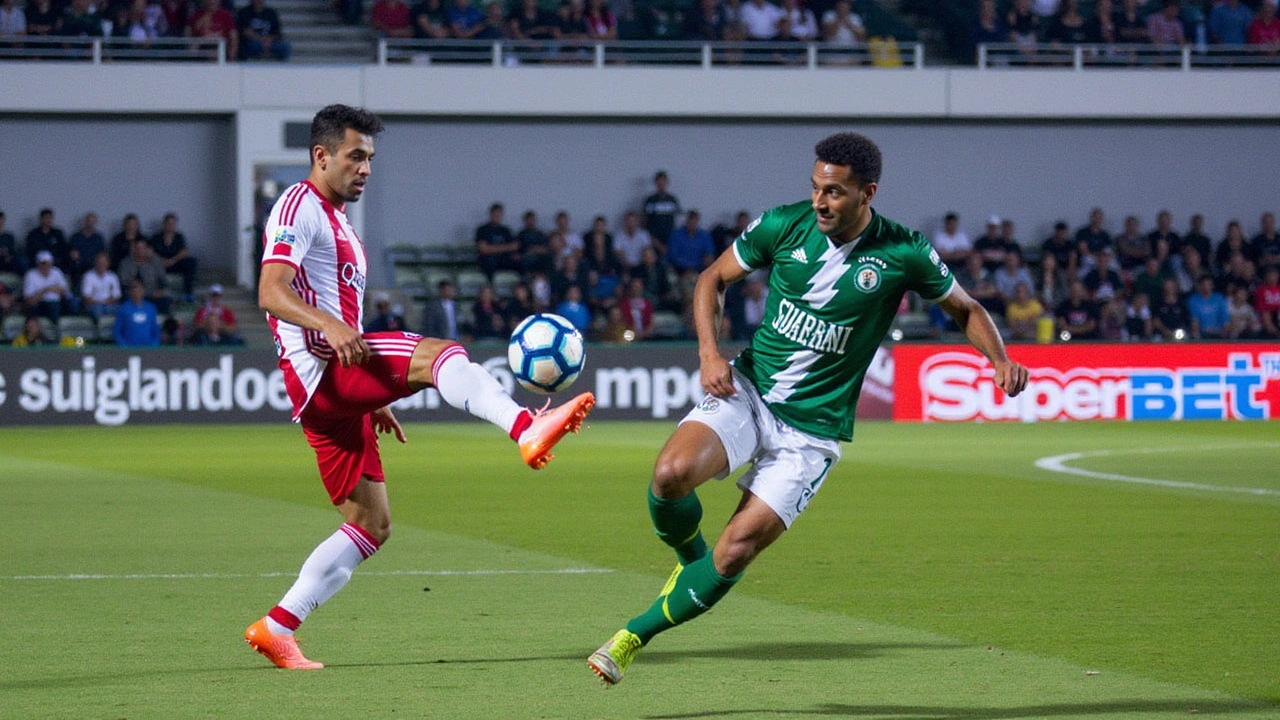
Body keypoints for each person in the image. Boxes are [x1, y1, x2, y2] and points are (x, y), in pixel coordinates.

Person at [585, 132, 1028, 685]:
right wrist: (708, 352)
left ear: (868, 193)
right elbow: (712, 278)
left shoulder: (904, 251)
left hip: (812, 435)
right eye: (816, 187)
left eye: (835, 192)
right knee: (671, 476)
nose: (820, 201)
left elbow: (965, 309)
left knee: (735, 552)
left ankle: (632, 637)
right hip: (750, 391)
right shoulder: (783, 225)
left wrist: (998, 359)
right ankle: (687, 557)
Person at [246, 104, 595, 671]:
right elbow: (270, 290)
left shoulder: (340, 223)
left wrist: (376, 395)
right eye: (355, 156)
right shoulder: (299, 206)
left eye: (370, 159)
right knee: (442, 354)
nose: (365, 168)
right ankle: (525, 426)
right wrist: (334, 330)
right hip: (325, 372)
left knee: (370, 524)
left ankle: (278, 626)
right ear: (322, 155)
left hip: (332, 395)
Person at [150, 212, 199, 302]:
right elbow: (150, 252)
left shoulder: (179, 237)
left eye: (173, 223)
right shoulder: (156, 237)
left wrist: (173, 260)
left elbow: (184, 252)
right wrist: (161, 260)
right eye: (168, 223)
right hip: (160, 264)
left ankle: (187, 293)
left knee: (191, 262)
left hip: (175, 263)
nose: (170, 225)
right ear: (164, 224)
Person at [117, 238, 173, 316]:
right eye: (137, 248)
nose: (140, 251)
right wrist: (142, 292)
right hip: (133, 296)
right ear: (133, 249)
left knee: (166, 300)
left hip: (153, 296)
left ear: (147, 249)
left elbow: (164, 280)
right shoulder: (125, 263)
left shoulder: (155, 261)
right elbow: (124, 283)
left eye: (142, 248)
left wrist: (162, 291)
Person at [474, 202, 521, 280]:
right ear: (491, 214)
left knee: (519, 260)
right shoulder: (482, 229)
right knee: (489, 261)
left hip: (503, 259)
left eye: (499, 214)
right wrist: (506, 248)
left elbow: (515, 246)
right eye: (495, 214)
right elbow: (483, 249)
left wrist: (493, 248)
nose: (497, 216)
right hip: (488, 259)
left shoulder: (505, 230)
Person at [23, 250, 71, 322]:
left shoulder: (56, 272)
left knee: (70, 303)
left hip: (58, 302)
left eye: (48, 263)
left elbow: (64, 292)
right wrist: (46, 290)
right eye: (43, 263)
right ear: (38, 263)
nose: (45, 266)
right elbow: (29, 300)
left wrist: (49, 290)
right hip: (41, 304)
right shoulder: (31, 275)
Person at [665, 208, 715, 275]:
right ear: (686, 220)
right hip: (678, 270)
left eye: (695, 219)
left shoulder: (705, 236)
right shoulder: (676, 234)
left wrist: (695, 267)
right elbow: (673, 256)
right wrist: (687, 267)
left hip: (698, 270)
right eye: (690, 219)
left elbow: (709, 256)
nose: (693, 222)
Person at [81, 251, 122, 331]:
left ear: (108, 263)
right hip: (93, 305)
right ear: (95, 263)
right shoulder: (88, 276)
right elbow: (87, 297)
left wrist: (105, 303)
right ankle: (99, 334)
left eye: (104, 262)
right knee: (98, 309)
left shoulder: (113, 277)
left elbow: (116, 296)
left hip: (109, 305)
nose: (101, 264)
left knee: (123, 309)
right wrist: (100, 303)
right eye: (99, 262)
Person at [641, 170, 679, 256]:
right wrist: (656, 243)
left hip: (670, 239)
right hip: (654, 240)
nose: (661, 183)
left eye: (663, 181)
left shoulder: (672, 200)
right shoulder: (650, 200)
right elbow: (645, 222)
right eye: (659, 181)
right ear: (656, 183)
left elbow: (674, 221)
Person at [114, 279, 161, 347]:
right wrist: (123, 346)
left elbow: (155, 329)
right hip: (129, 349)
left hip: (148, 349)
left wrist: (154, 344)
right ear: (130, 292)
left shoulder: (151, 308)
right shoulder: (123, 308)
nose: (136, 291)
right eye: (133, 289)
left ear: (143, 290)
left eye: (139, 289)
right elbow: (117, 331)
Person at [1186, 273, 1229, 339]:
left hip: (1219, 333)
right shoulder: (1193, 300)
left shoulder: (1219, 298)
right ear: (1199, 286)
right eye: (1203, 285)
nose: (1206, 287)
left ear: (1212, 286)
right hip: (1203, 334)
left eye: (1208, 285)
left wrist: (1224, 334)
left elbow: (1225, 319)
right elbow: (1195, 321)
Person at [67, 211, 106, 285]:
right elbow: (72, 255)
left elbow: (102, 254)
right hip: (78, 270)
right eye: (89, 221)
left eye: (93, 222)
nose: (90, 224)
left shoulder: (98, 238)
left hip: (94, 269)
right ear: (85, 222)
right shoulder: (75, 237)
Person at [1254, 264, 1280, 338]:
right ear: (1266, 276)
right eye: (1270, 274)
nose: (1272, 277)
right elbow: (1263, 311)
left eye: (1275, 274)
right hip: (1265, 318)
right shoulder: (1261, 289)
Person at [0, 211, 22, 275]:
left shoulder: (9, 237)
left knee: (16, 262)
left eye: (1, 219)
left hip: (6, 261)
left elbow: (12, 251)